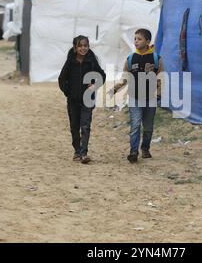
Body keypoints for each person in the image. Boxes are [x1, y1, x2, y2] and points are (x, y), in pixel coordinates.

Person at [109, 29, 164, 163]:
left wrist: (159, 94)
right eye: (135, 39)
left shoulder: (156, 59)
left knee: (148, 127)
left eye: (139, 39)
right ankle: (133, 152)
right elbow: (125, 78)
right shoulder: (130, 58)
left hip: (150, 99)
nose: (136, 41)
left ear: (147, 41)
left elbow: (161, 78)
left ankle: (145, 148)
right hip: (134, 97)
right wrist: (115, 89)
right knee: (135, 125)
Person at [58, 35, 106, 164]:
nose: (83, 48)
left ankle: (84, 153)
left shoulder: (91, 61)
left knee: (85, 126)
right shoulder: (70, 62)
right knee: (74, 126)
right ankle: (77, 151)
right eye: (80, 46)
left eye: (85, 46)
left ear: (88, 47)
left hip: (87, 99)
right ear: (75, 47)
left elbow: (102, 75)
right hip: (73, 100)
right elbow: (61, 79)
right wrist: (68, 92)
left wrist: (95, 86)